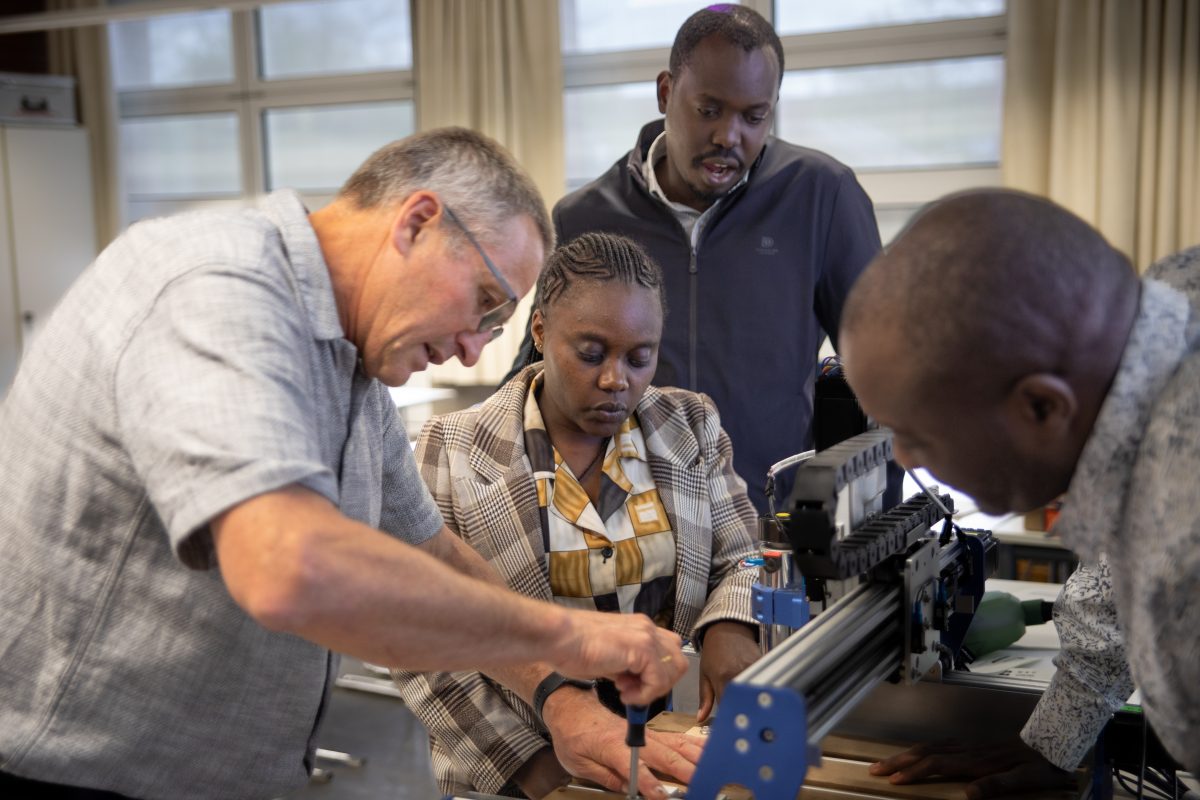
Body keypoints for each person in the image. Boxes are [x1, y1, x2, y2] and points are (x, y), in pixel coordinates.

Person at [0, 128, 688, 800]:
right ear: (417, 223)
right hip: (66, 773)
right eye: (484, 302)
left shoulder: (352, 366)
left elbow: (432, 553)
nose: (474, 350)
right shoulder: (217, 288)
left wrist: (562, 700)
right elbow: (288, 568)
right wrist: (570, 635)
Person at [838, 188, 1200, 790]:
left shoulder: (1181, 558)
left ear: (1041, 407)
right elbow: (1116, 567)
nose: (901, 457)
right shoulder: (1165, 304)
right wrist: (1056, 738)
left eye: (917, 435)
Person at [395, 232, 763, 799]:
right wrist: (536, 770)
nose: (617, 380)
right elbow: (421, 643)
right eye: (591, 354)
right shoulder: (452, 448)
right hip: (523, 772)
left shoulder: (691, 425)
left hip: (671, 749)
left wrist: (730, 624)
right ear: (540, 331)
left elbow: (742, 557)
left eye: (640, 357)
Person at [506, 4, 882, 513]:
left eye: (754, 117)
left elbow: (884, 373)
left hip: (772, 518)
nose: (729, 136)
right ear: (666, 93)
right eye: (709, 110)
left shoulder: (822, 196)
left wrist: (877, 524)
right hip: (627, 526)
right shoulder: (585, 216)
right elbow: (534, 371)